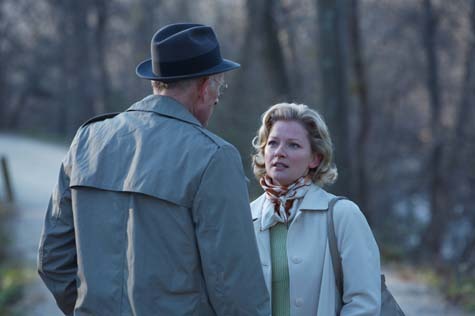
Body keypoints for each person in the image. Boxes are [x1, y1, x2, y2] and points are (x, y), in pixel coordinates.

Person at [38, 23, 270, 315]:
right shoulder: (214, 156)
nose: (217, 98)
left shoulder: (88, 139)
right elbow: (236, 288)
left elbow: (53, 260)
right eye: (218, 87)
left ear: (156, 83)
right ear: (204, 87)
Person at [250, 102, 381, 316]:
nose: (279, 152)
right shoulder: (246, 218)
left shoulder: (343, 215)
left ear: (315, 158)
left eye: (293, 145)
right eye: (273, 143)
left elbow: (364, 303)